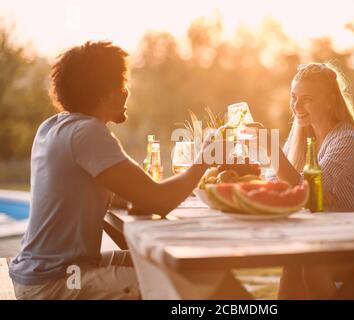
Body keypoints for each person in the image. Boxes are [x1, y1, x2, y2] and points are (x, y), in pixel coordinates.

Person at [9, 41, 250, 300]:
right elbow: (159, 201)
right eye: (121, 85)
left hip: (51, 271)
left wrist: (151, 194)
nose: (127, 92)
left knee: (189, 267)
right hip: (57, 281)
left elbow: (130, 195)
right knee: (198, 284)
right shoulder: (87, 133)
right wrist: (204, 159)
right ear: (102, 93)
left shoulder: (54, 127)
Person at [247, 62, 354, 299]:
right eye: (294, 97)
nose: (297, 106)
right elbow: (282, 185)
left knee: (311, 262)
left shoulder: (346, 140)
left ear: (331, 100)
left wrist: (273, 152)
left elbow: (308, 193)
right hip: (331, 236)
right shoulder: (301, 134)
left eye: (307, 99)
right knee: (297, 258)